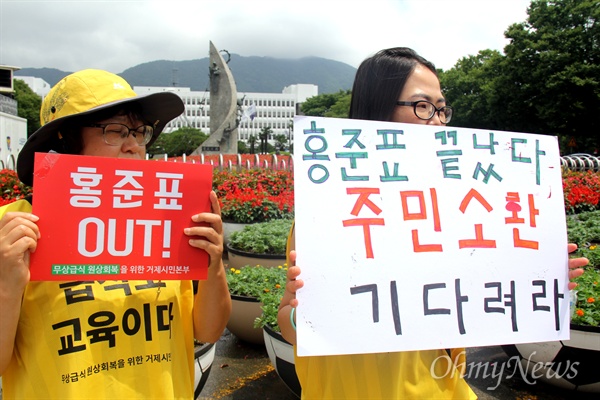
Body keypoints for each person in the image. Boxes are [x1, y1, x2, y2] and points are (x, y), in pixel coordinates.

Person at [277, 47, 589, 399]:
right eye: (423, 106)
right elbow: (292, 328)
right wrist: (295, 311)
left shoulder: (455, 211)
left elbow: (478, 300)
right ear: (378, 109)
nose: (439, 121)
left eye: (441, 109)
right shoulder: (325, 217)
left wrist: (538, 274)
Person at [0, 69, 232, 399]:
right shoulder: (13, 229)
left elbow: (208, 330)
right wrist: (6, 285)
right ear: (65, 139)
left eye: (140, 133)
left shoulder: (167, 220)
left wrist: (213, 263)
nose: (133, 146)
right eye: (116, 131)